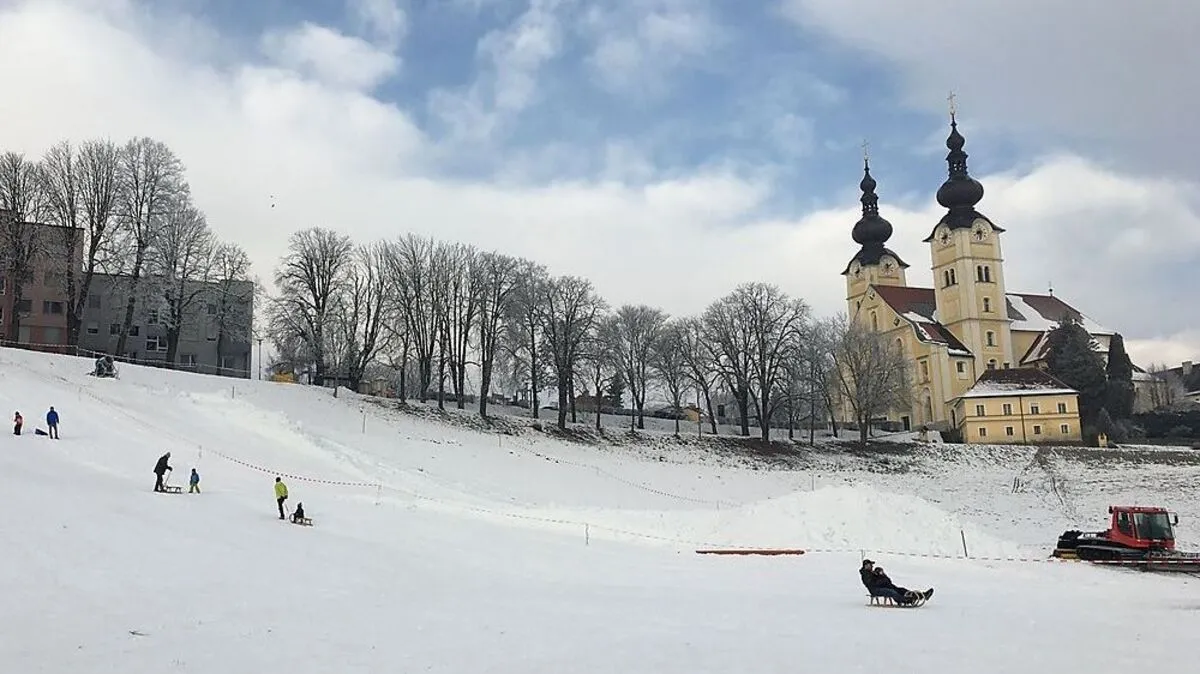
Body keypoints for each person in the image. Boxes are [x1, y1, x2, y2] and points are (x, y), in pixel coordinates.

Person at [860, 559, 933, 605]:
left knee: (900, 589)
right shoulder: (865, 574)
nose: (872, 566)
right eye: (870, 565)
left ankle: (920, 595)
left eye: (871, 565)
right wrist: (882, 579)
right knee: (892, 592)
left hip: (883, 586)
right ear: (866, 566)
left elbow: (887, 580)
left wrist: (882, 575)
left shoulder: (871, 573)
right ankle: (908, 600)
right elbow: (873, 584)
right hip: (875, 590)